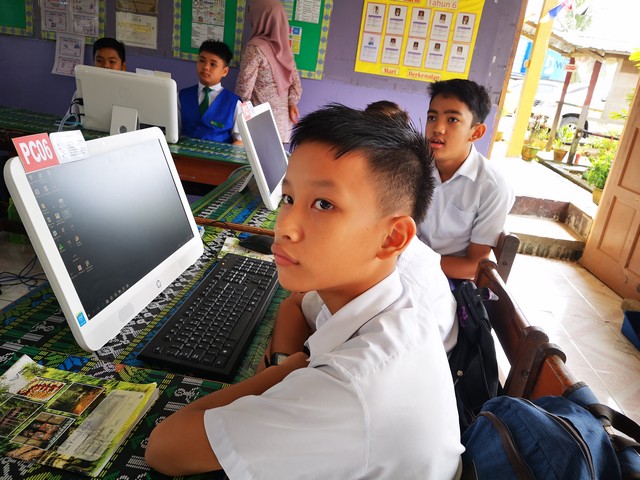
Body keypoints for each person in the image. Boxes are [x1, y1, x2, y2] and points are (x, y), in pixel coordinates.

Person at [145, 105, 463, 478]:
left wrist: (286, 370)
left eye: (324, 205)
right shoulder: (390, 301)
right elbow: (298, 308)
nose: (284, 227)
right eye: (289, 198)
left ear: (393, 237)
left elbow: (163, 448)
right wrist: (292, 368)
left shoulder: (348, 389)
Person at [418, 79, 515, 281]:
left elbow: (473, 265)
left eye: (452, 120)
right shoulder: (413, 166)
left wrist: (412, 263)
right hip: (398, 267)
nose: (438, 128)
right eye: (432, 117)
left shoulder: (491, 187)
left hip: (448, 280)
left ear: (476, 132)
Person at [235, 0, 302, 143]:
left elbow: (244, 89)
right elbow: (296, 84)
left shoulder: (255, 48)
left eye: (252, 13)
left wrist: (236, 111)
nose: (249, 18)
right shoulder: (284, 49)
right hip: (282, 125)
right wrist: (292, 103)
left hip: (260, 123)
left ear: (262, 17)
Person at [179, 40, 242, 144]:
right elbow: (173, 132)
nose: (206, 67)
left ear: (224, 71)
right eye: (202, 61)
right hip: (183, 152)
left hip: (219, 154)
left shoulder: (234, 104)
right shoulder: (181, 96)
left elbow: (240, 140)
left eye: (213, 64)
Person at [68, 37, 126, 115]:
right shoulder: (82, 91)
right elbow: (71, 119)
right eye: (99, 60)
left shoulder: (128, 94)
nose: (105, 66)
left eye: (112, 61)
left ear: (123, 67)